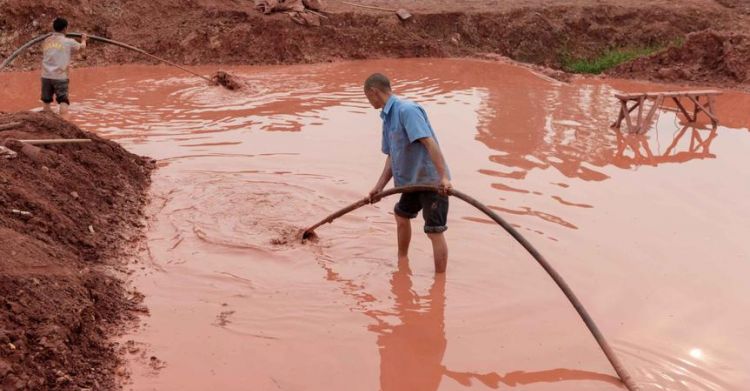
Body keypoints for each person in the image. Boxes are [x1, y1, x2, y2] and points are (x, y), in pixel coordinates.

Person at [365, 73, 452, 273]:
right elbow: (392, 157)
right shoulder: (387, 118)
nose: (369, 102)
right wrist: (379, 187)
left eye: (367, 97)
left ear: (373, 92)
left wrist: (444, 177)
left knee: (434, 231)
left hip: (431, 182)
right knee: (401, 215)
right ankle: (402, 262)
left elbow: (429, 143)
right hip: (411, 182)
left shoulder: (407, 111)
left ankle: (440, 282)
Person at [41, 17, 87, 116]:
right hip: (60, 76)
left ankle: (45, 122)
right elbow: (82, 48)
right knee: (63, 101)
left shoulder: (46, 40)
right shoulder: (68, 41)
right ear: (65, 29)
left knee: (46, 100)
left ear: (53, 28)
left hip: (46, 76)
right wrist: (84, 39)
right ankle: (64, 122)